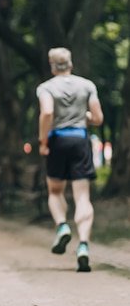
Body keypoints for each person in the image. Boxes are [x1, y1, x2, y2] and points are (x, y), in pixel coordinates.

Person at [36, 47, 104, 272]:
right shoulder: (87, 85)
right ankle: (83, 245)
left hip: (57, 141)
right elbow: (97, 118)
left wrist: (43, 141)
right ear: (71, 64)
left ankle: (62, 226)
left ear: (52, 65)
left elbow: (47, 113)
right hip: (80, 139)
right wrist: (81, 115)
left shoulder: (46, 87)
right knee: (82, 196)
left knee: (55, 191)